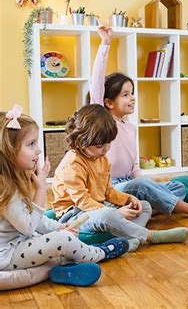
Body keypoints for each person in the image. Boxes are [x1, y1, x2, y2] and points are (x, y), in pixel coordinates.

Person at [0, 105, 128, 286]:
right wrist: (41, 189)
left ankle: (66, 267)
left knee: (60, 235)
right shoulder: (4, 189)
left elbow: (37, 219)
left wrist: (59, 227)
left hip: (21, 242)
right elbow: (28, 226)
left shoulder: (15, 179)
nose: (38, 150)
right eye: (31, 144)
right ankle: (99, 253)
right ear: (9, 151)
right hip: (7, 255)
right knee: (63, 240)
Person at [89, 21, 188, 217]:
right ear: (108, 102)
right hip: (110, 187)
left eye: (132, 93)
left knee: (177, 186)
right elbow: (96, 83)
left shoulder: (131, 128)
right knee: (143, 185)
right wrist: (105, 44)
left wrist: (149, 185)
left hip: (131, 182)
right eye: (125, 95)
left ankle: (146, 205)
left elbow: (135, 168)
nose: (132, 98)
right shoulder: (102, 121)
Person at [52, 104, 188, 252]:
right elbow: (83, 201)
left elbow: (108, 191)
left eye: (109, 143)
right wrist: (116, 213)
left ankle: (129, 237)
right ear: (80, 141)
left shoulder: (102, 158)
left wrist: (127, 199)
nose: (106, 149)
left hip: (97, 207)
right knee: (107, 215)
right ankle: (150, 236)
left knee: (145, 206)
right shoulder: (72, 163)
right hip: (75, 215)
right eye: (99, 146)